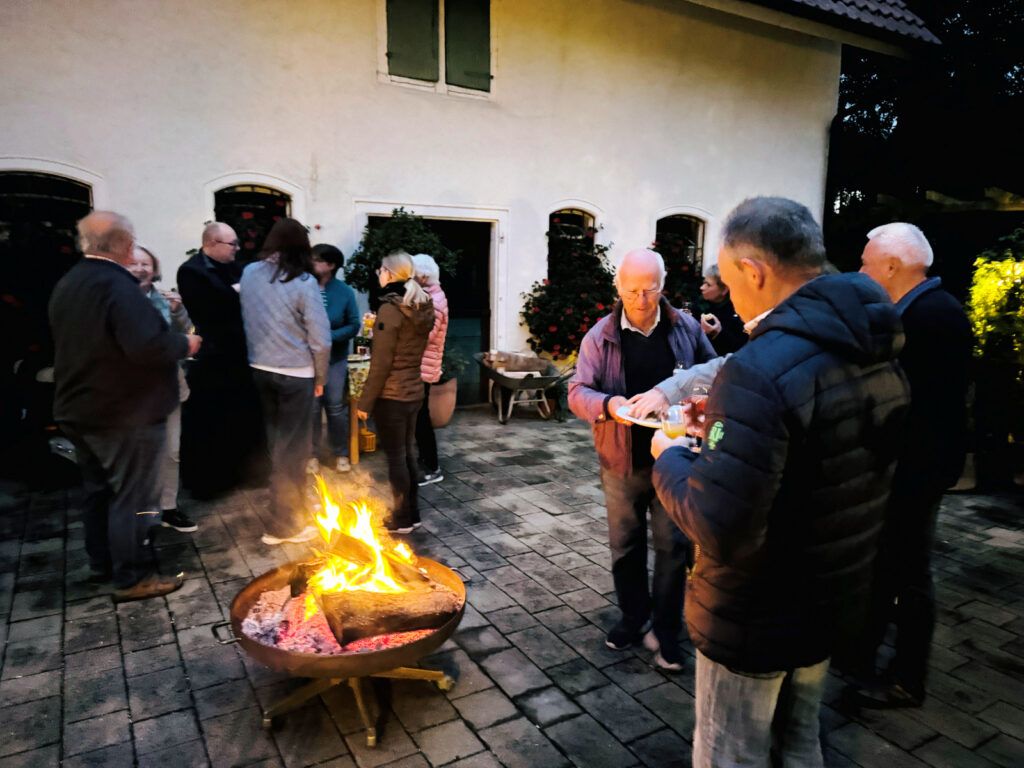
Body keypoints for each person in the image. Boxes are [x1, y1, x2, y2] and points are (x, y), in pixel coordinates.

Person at [650, 197, 909, 766]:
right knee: (798, 742)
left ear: (754, 271)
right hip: (831, 597)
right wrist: (729, 430)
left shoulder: (761, 366)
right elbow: (825, 458)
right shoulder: (872, 344)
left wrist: (669, 456)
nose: (726, 295)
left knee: (731, 753)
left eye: (727, 280)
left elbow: (720, 526)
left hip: (756, 615)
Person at [568, 248, 717, 671]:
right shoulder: (600, 336)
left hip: (675, 457)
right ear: (618, 287)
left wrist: (691, 412)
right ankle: (633, 617)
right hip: (622, 459)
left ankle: (667, 630)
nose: (640, 299)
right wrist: (609, 404)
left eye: (649, 290)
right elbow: (577, 392)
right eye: (631, 290)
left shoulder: (686, 327)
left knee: (673, 547)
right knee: (625, 544)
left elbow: (715, 376)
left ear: (662, 286)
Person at [849, 222, 973, 708]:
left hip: (915, 470)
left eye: (866, 264)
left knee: (908, 570)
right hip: (912, 465)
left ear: (892, 266)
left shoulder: (929, 318)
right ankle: (863, 653)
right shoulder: (923, 309)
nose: (862, 272)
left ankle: (906, 678)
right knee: (888, 563)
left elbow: (909, 405)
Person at [50, 212, 201, 601]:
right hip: (124, 413)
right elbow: (147, 346)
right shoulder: (117, 286)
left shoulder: (71, 281)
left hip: (82, 408)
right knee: (134, 497)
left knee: (100, 492)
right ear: (123, 244)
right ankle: (133, 576)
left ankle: (103, 566)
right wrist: (185, 344)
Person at [240, 219, 330, 545]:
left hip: (259, 368)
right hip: (295, 373)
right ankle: (283, 526)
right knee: (293, 452)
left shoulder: (250, 273)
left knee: (277, 446)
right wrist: (320, 377)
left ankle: (295, 508)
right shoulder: (304, 282)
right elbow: (321, 339)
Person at [177, 222, 265, 498]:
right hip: (215, 358)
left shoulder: (235, 268)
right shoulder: (191, 271)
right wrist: (235, 293)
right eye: (232, 244)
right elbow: (210, 309)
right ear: (212, 243)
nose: (237, 249)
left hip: (242, 354)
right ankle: (212, 482)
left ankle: (246, 474)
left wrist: (236, 293)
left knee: (243, 417)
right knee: (212, 421)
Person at [355, 251, 434, 534]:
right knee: (407, 454)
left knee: (396, 459)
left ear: (389, 273)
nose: (378, 274)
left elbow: (381, 364)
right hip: (414, 391)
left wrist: (364, 402)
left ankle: (401, 519)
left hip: (392, 395)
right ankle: (412, 515)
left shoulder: (391, 309)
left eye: (380, 270)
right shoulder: (421, 305)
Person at [128, 245, 197, 533]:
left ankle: (168, 508)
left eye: (146, 264)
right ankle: (141, 515)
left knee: (172, 452)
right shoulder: (115, 301)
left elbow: (188, 333)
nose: (140, 269)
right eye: (133, 264)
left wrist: (178, 312)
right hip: (134, 393)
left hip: (169, 388)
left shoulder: (163, 299)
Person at [309, 244, 360, 473]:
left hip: (335, 359)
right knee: (311, 408)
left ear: (330, 265)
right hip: (306, 360)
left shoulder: (344, 292)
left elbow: (354, 324)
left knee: (335, 406)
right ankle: (311, 455)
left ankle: (340, 453)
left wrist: (328, 337)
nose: (310, 262)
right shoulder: (303, 287)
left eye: (315, 259)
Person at [412, 253, 449, 486]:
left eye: (413, 274)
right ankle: (425, 461)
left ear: (423, 276)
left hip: (423, 366)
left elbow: (426, 336)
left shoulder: (434, 301)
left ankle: (432, 467)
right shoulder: (429, 296)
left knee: (421, 418)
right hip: (422, 364)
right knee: (419, 416)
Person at [698, 264, 746, 355]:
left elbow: (739, 347)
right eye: (704, 283)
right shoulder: (701, 305)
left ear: (724, 290)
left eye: (708, 285)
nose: (702, 287)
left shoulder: (738, 314)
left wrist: (719, 333)